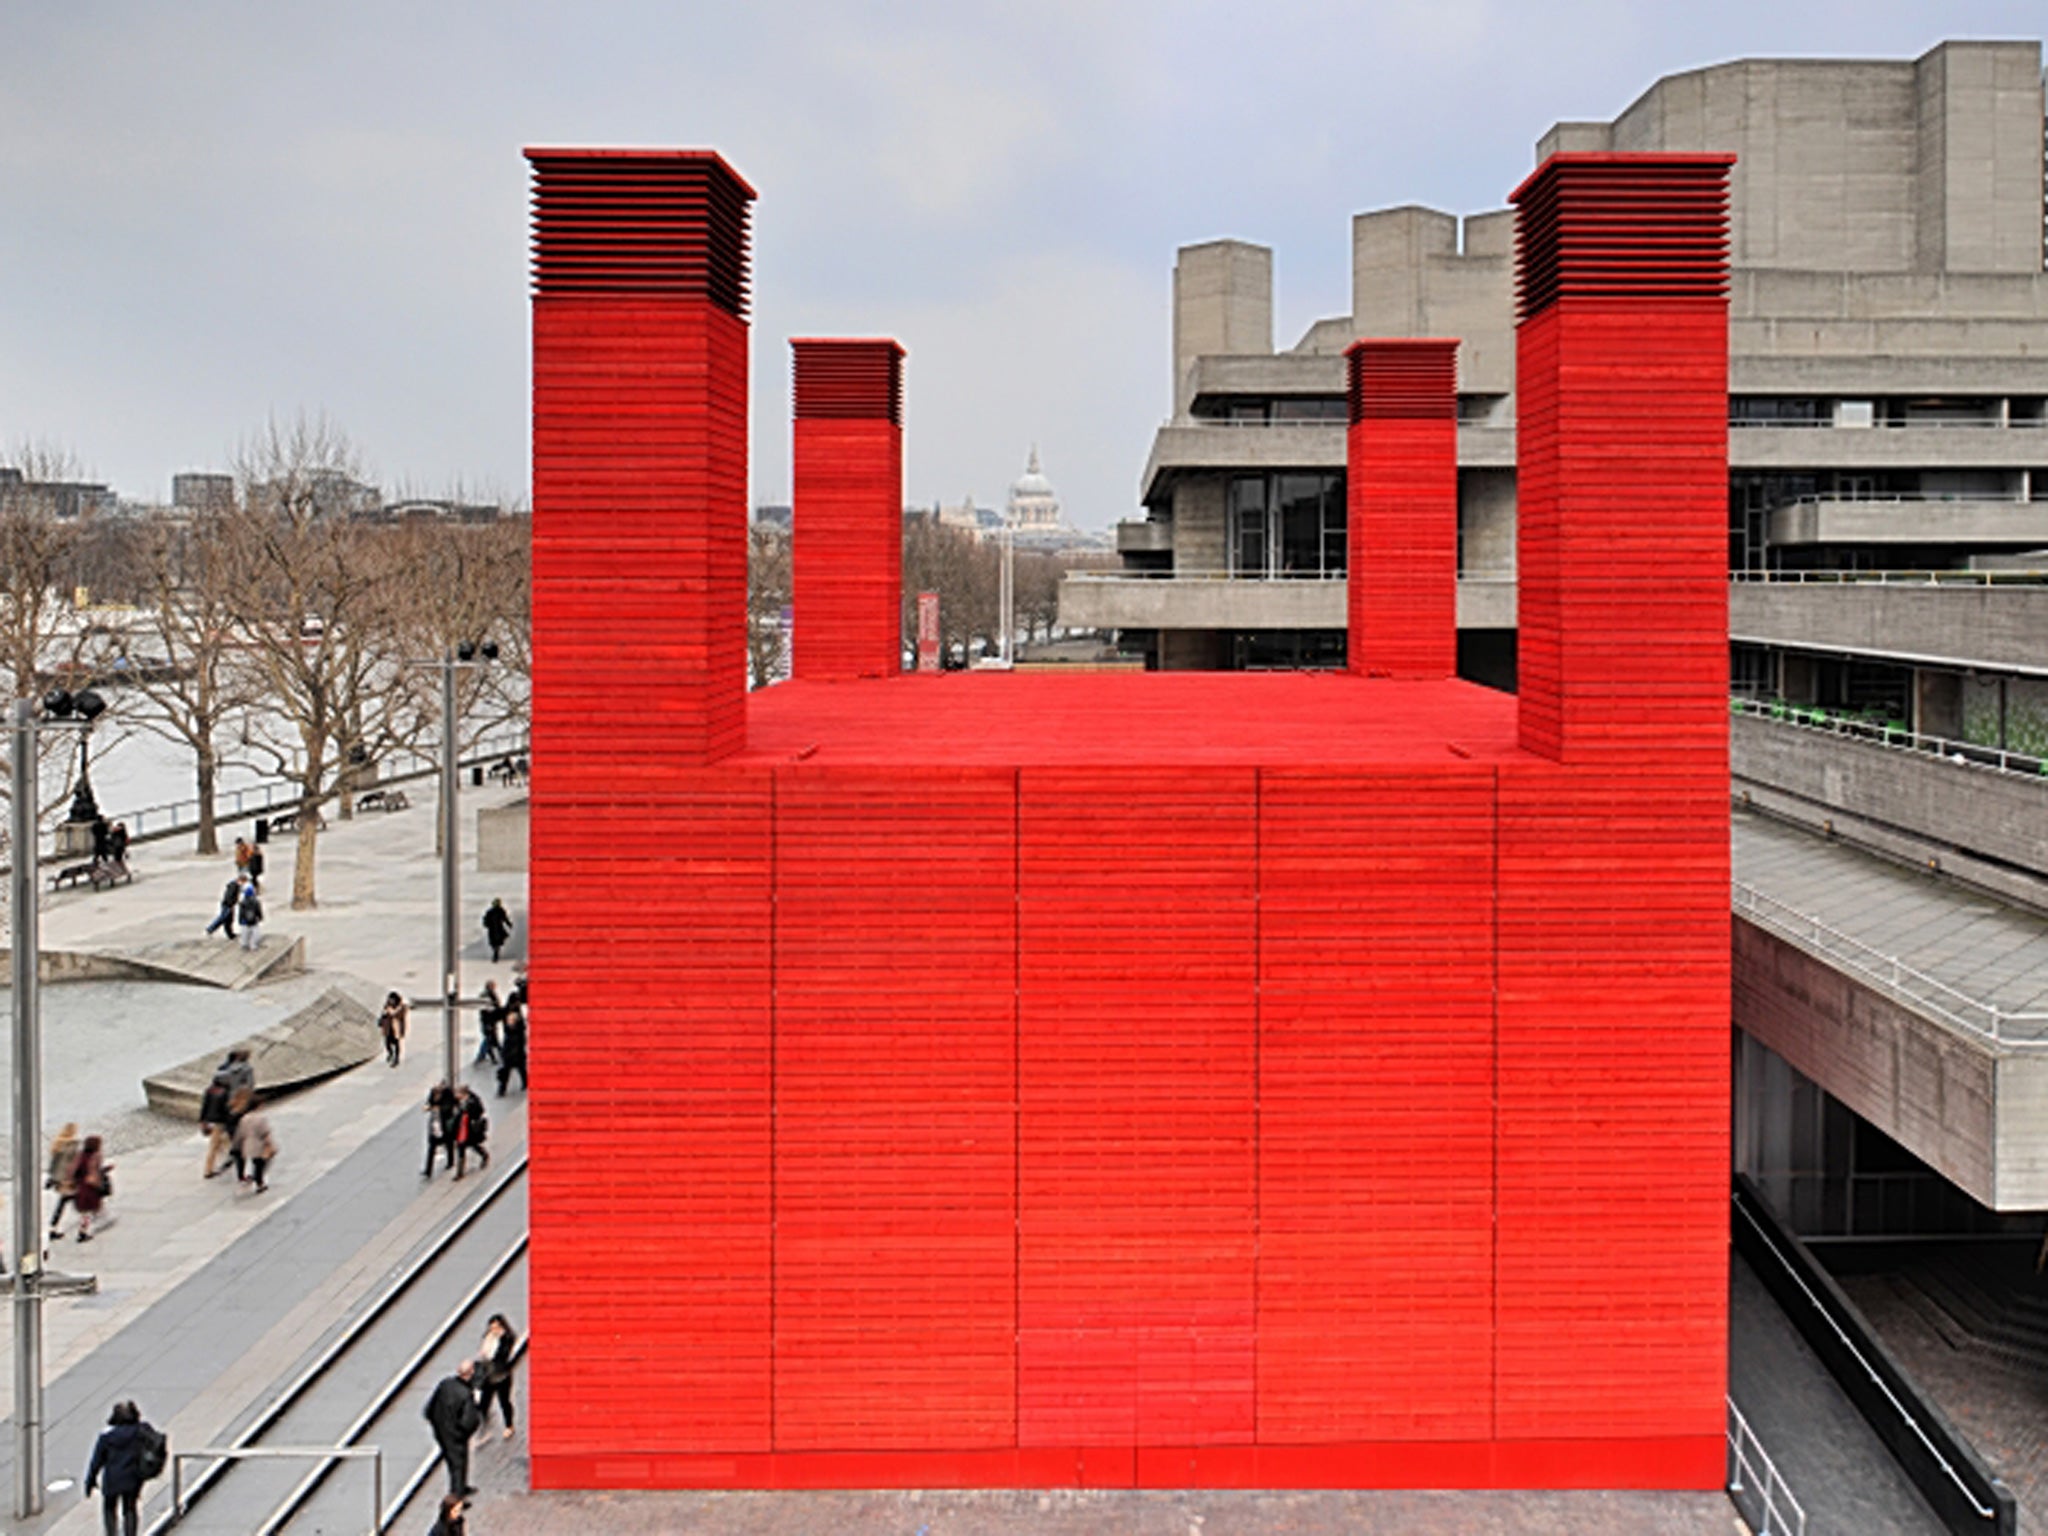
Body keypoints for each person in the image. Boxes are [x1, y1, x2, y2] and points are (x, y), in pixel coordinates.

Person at [85, 1400, 155, 1536]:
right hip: (132, 1478)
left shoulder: (106, 1437)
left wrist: (90, 1481)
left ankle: (111, 1533)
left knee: (109, 1508)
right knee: (130, 1508)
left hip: (112, 1480)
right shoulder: (140, 1431)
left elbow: (96, 1461)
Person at [423, 1360, 482, 1497]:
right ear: (470, 1373)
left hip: (441, 1431)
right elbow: (469, 1421)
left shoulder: (445, 1384)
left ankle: (461, 1487)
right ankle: (457, 1496)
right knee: (458, 1465)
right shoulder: (465, 1394)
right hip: (456, 1435)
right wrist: (463, 1434)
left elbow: (429, 1409)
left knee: (453, 1462)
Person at [475, 1312, 518, 1439]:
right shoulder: (488, 1337)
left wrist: (492, 1351)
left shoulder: (507, 1338)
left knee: (504, 1401)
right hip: (488, 1376)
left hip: (501, 1376)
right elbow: (483, 1355)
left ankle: (509, 1426)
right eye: (491, 1327)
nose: (493, 1330)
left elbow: (502, 1357)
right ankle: (484, 1420)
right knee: (483, 1402)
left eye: (496, 1327)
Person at [72, 1135, 109, 1242]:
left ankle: (83, 1231)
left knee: (85, 1212)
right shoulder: (96, 1156)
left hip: (80, 1186)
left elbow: (74, 1170)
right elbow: (94, 1171)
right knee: (90, 1210)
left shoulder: (80, 1155)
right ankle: (84, 1232)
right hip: (90, 1187)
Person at [47, 1122, 80, 1240]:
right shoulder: (72, 1145)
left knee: (63, 1202)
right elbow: (74, 1164)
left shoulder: (57, 1144)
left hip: (58, 1179)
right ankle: (83, 1230)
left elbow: (53, 1164)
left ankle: (53, 1227)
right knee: (82, 1200)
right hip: (68, 1179)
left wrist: (52, 1178)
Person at [233, 1101, 276, 1192]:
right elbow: (265, 1133)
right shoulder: (261, 1118)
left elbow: (240, 1133)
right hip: (259, 1144)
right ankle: (259, 1182)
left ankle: (256, 1178)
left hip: (248, 1144)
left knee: (256, 1162)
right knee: (261, 1163)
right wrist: (270, 1144)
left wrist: (238, 1144)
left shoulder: (244, 1118)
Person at [453, 1088, 490, 1181]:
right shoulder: (462, 1102)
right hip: (463, 1129)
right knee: (462, 1148)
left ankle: (484, 1155)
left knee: (473, 1145)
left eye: (458, 1093)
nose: (457, 1096)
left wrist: (467, 1111)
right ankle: (460, 1172)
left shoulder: (473, 1102)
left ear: (464, 1093)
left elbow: (478, 1112)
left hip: (470, 1129)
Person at [423, 1083, 458, 1178]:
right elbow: (428, 1104)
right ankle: (428, 1170)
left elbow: (450, 1107)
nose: (436, 1097)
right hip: (435, 1123)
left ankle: (450, 1162)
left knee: (448, 1143)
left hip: (445, 1124)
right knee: (432, 1147)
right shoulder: (432, 1094)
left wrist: (440, 1108)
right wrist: (429, 1107)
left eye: (437, 1094)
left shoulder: (447, 1094)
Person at [495, 1004, 527, 1098]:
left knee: (521, 1070)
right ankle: (501, 1090)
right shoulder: (508, 1030)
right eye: (508, 1020)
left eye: (511, 1020)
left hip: (516, 1055)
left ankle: (525, 1082)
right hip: (509, 1056)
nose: (509, 1022)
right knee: (506, 1073)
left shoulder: (518, 1033)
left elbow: (520, 1044)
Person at [473, 981, 502, 1067]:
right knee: (488, 1039)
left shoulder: (489, 994)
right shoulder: (488, 995)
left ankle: (486, 1056)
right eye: (493, 986)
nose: (494, 987)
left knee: (491, 1039)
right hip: (488, 1021)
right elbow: (491, 1008)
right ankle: (483, 1056)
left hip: (489, 1021)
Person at [203, 875, 241, 940]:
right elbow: (230, 896)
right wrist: (232, 904)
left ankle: (230, 934)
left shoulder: (234, 885)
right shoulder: (234, 886)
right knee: (222, 918)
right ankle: (209, 930)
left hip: (228, 904)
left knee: (228, 920)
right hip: (228, 905)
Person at [380, 991, 409, 1068]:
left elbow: (396, 1014)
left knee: (396, 1044)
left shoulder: (402, 1006)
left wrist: (389, 1011)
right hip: (388, 1028)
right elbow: (383, 1014)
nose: (390, 1001)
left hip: (397, 1028)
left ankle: (396, 1059)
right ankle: (390, 1053)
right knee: (387, 1043)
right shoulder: (387, 1005)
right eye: (389, 999)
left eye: (392, 1000)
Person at [482, 899, 513, 963]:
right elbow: (485, 920)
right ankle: (495, 954)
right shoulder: (491, 912)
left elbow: (505, 918)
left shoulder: (499, 911)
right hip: (494, 929)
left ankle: (496, 954)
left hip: (497, 929)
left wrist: (509, 924)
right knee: (495, 943)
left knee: (497, 943)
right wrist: (509, 924)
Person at [237, 880, 264, 951]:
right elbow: (258, 911)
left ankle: (244, 945)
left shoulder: (243, 902)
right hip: (254, 920)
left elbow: (241, 912)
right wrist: (260, 917)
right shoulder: (256, 902)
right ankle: (253, 945)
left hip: (245, 921)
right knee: (255, 933)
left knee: (244, 933)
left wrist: (240, 920)